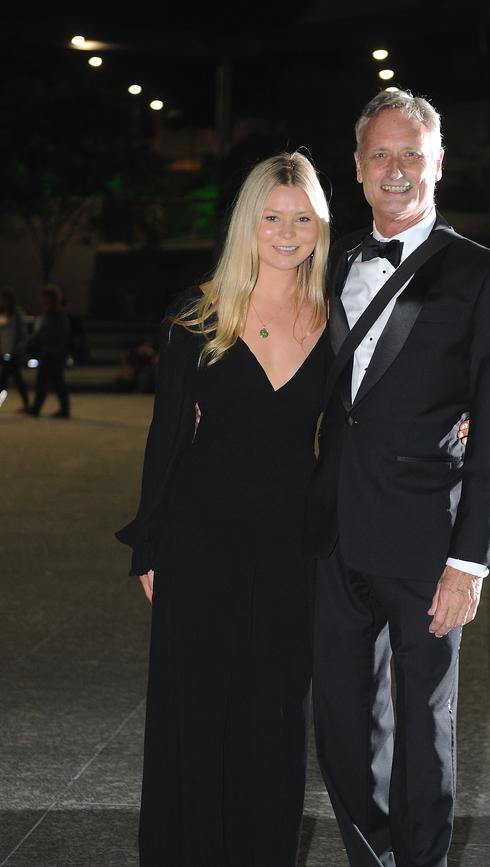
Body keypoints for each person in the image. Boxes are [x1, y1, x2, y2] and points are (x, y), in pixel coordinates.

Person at [305, 90, 490, 867]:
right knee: (338, 723)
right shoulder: (329, 267)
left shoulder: (486, 274)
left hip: (429, 540)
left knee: (425, 727)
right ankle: (374, 854)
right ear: (359, 170)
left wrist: (472, 561)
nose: (395, 169)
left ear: (437, 164)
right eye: (380, 155)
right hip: (332, 538)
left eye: (411, 154)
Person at [115, 152, 331, 867]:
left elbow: (366, 422)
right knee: (197, 713)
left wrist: (448, 424)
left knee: (273, 720)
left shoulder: (336, 320)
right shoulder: (198, 311)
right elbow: (167, 435)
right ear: (250, 221)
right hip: (199, 545)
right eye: (272, 216)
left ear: (320, 225)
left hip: (291, 550)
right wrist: (149, 545)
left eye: (302, 217)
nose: (287, 231)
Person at [26, 284, 72, 418]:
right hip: (51, 351)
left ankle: (40, 408)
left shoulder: (56, 313)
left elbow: (59, 332)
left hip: (53, 352)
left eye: (45, 297)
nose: (43, 300)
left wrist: (40, 341)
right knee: (53, 381)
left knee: (50, 381)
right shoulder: (52, 312)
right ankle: (60, 409)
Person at [0, 287, 30, 411]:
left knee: (12, 379)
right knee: (7, 379)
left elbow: (23, 334)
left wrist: (18, 348)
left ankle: (27, 404)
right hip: (4, 351)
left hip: (13, 352)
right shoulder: (2, 314)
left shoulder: (17, 315)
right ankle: (27, 403)